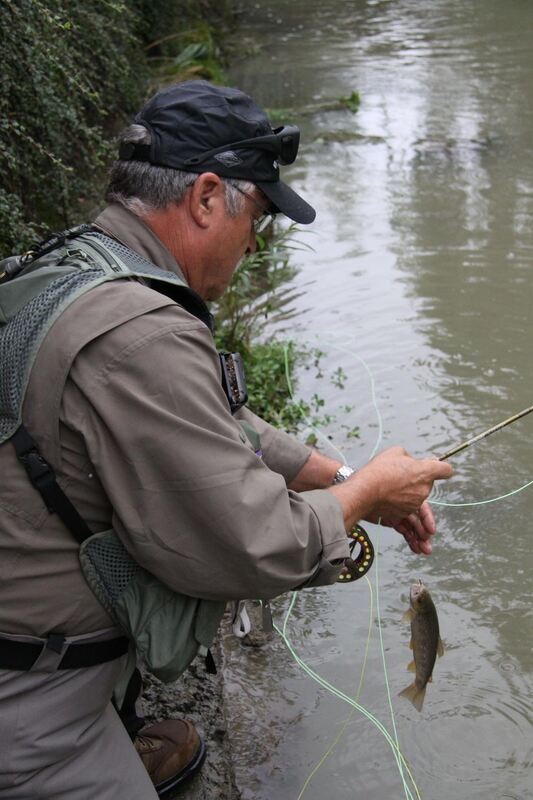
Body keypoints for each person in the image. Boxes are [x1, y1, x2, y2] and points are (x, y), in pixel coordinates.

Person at [0, 80, 452, 799]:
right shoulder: (141, 332)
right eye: (259, 218)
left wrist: (341, 478)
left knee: (174, 748)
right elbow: (249, 544)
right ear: (208, 197)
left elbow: (211, 420)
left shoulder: (84, 265)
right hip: (23, 694)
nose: (253, 243)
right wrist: (366, 498)